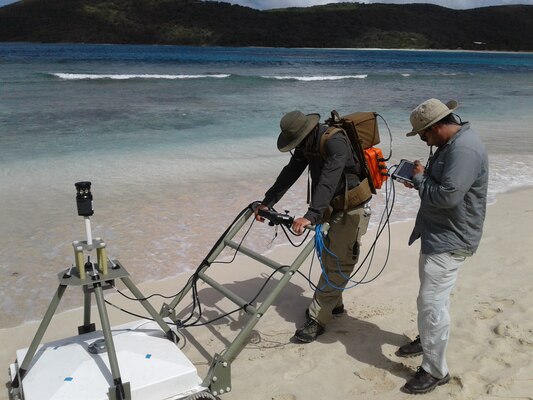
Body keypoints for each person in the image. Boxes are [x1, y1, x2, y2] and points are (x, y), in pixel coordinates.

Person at [255, 110, 372, 343]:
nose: (296, 147)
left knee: (340, 260)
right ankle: (334, 303)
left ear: (307, 131)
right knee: (328, 255)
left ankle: (318, 318)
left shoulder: (335, 141)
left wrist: (312, 214)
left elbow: (329, 177)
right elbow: (289, 173)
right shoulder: (306, 145)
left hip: (351, 207)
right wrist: (267, 202)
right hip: (329, 206)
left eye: (297, 141)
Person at [397, 99, 489, 394]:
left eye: (423, 135)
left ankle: (435, 370)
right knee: (431, 299)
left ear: (435, 127)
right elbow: (446, 185)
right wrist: (423, 175)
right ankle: (426, 339)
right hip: (439, 234)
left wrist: (421, 179)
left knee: (432, 304)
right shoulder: (452, 145)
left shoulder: (463, 149)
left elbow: (448, 197)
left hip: (451, 238)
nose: (424, 140)